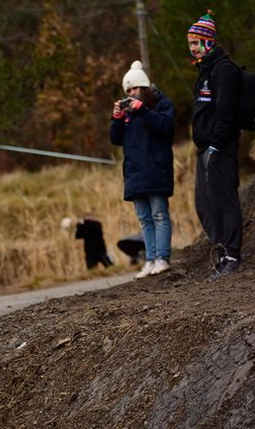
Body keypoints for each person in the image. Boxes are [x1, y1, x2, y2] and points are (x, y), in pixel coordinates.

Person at [187, 10, 243, 280]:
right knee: (205, 204)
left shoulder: (223, 70)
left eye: (196, 43)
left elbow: (226, 113)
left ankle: (232, 254)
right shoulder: (205, 70)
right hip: (205, 147)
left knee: (224, 200)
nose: (193, 48)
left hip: (219, 147)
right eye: (190, 44)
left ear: (208, 41)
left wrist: (216, 145)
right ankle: (221, 250)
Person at [110, 60, 175, 279]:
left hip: (156, 170)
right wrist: (116, 119)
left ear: (144, 87)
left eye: (135, 88)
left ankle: (162, 258)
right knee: (144, 219)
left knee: (159, 214)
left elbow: (166, 127)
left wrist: (144, 111)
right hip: (135, 173)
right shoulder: (128, 112)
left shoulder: (161, 104)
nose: (131, 93)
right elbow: (116, 139)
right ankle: (149, 259)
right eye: (128, 90)